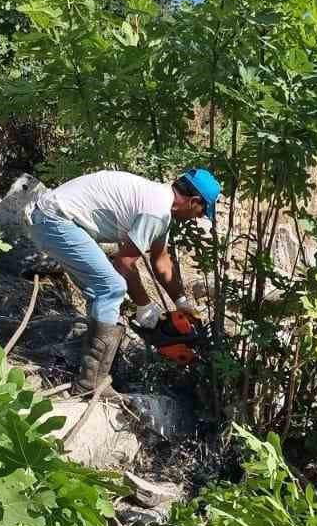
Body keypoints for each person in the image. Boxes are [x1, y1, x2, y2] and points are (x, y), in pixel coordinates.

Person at [27, 167, 220, 394]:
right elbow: (124, 263)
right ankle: (89, 385)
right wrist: (145, 307)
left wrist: (182, 302)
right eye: (200, 212)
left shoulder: (161, 207)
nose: (196, 218)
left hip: (55, 218)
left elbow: (161, 261)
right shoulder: (157, 210)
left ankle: (87, 369)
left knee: (103, 295)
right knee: (111, 287)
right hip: (54, 219)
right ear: (194, 201)